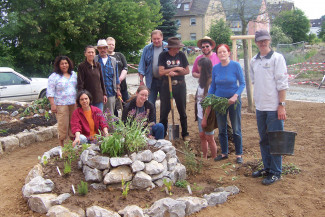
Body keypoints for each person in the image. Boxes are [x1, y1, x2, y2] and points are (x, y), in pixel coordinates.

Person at [250, 29, 289, 185]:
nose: (262, 43)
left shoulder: (277, 58)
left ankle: (276, 172)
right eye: (260, 40)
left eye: (265, 40)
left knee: (275, 140)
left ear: (269, 40)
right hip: (260, 108)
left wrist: (281, 105)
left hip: (274, 108)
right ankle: (267, 167)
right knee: (264, 140)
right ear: (256, 42)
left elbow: (282, 84)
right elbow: (255, 82)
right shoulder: (254, 61)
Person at [206, 44, 246, 164]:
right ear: (217, 55)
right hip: (220, 101)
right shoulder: (216, 68)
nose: (222, 54)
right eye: (219, 52)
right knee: (222, 128)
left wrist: (235, 96)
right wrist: (209, 97)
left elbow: (242, 83)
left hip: (233, 101)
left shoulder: (236, 66)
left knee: (236, 128)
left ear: (229, 53)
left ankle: (239, 154)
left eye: (224, 52)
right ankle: (224, 153)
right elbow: (213, 85)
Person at [158, 37, 190, 141]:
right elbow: (161, 72)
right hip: (166, 86)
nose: (178, 49)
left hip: (180, 86)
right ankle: (162, 134)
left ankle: (185, 134)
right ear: (171, 48)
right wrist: (175, 68)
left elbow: (186, 71)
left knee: (182, 110)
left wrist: (174, 73)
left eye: (179, 47)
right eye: (176, 48)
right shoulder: (163, 56)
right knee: (164, 111)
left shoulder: (181, 55)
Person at [47, 56, 77, 146]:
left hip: (73, 103)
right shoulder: (54, 76)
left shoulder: (73, 74)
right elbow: (50, 91)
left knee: (73, 123)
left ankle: (73, 144)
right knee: (63, 124)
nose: (64, 65)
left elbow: (77, 87)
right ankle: (61, 145)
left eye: (66, 63)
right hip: (61, 104)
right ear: (58, 65)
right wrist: (53, 104)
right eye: (62, 64)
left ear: (69, 64)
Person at [138, 30, 168, 110]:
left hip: (165, 80)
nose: (156, 41)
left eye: (158, 38)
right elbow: (142, 65)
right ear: (151, 39)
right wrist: (141, 80)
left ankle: (163, 122)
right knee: (150, 103)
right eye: (154, 39)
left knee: (165, 103)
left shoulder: (167, 48)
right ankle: (152, 121)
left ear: (162, 37)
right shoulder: (147, 49)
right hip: (151, 81)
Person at [195, 57, 217, 159]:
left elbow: (210, 103)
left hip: (208, 115)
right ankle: (204, 157)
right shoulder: (201, 81)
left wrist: (205, 118)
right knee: (202, 136)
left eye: (199, 66)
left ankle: (214, 158)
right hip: (200, 113)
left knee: (209, 137)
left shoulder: (210, 82)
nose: (197, 67)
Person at [94, 39, 121, 114]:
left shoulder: (113, 60)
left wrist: (118, 90)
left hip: (110, 92)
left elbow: (116, 77)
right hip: (98, 94)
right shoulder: (94, 59)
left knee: (110, 117)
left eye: (104, 48)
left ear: (107, 48)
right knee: (98, 116)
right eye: (100, 48)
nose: (102, 50)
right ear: (98, 49)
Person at [77, 45, 107, 111]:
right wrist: (80, 97)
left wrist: (104, 94)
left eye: (92, 52)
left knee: (98, 118)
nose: (91, 54)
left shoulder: (98, 65)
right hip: (87, 99)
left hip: (99, 97)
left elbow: (101, 80)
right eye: (89, 52)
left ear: (95, 54)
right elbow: (80, 83)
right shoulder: (81, 66)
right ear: (85, 54)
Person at [106, 37, 129, 103]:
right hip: (111, 87)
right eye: (109, 44)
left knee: (126, 105)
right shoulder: (104, 57)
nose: (111, 46)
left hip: (122, 85)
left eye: (113, 45)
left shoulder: (120, 55)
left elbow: (125, 68)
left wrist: (119, 79)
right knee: (114, 108)